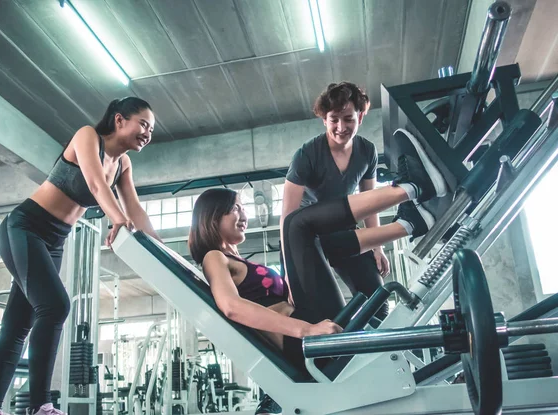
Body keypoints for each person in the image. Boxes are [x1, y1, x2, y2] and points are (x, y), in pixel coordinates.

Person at [188, 131, 446, 412]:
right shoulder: (214, 257)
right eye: (234, 209)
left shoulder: (233, 257)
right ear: (212, 217)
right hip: (304, 344)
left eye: (242, 207)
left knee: (320, 242)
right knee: (296, 225)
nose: (243, 215)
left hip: (306, 331)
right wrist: (306, 330)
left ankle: (409, 225)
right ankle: (411, 188)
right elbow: (232, 307)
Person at [0, 97, 162, 415]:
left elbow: (135, 209)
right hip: (25, 227)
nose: (148, 132)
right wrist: (116, 219)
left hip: (54, 241)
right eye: (143, 124)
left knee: (18, 324)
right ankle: (41, 405)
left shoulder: (123, 164)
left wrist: (162, 251)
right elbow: (94, 183)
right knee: (55, 306)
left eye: (151, 128)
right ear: (120, 120)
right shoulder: (87, 136)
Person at [281, 81, 397, 320]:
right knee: (326, 313)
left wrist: (377, 247)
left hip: (343, 231)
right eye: (334, 119)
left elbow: (369, 202)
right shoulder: (306, 155)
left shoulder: (367, 151)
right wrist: (288, 274)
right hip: (309, 238)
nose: (341, 127)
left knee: (378, 304)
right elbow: (287, 220)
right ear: (324, 119)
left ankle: (369, 353)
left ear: (360, 117)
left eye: (348, 119)